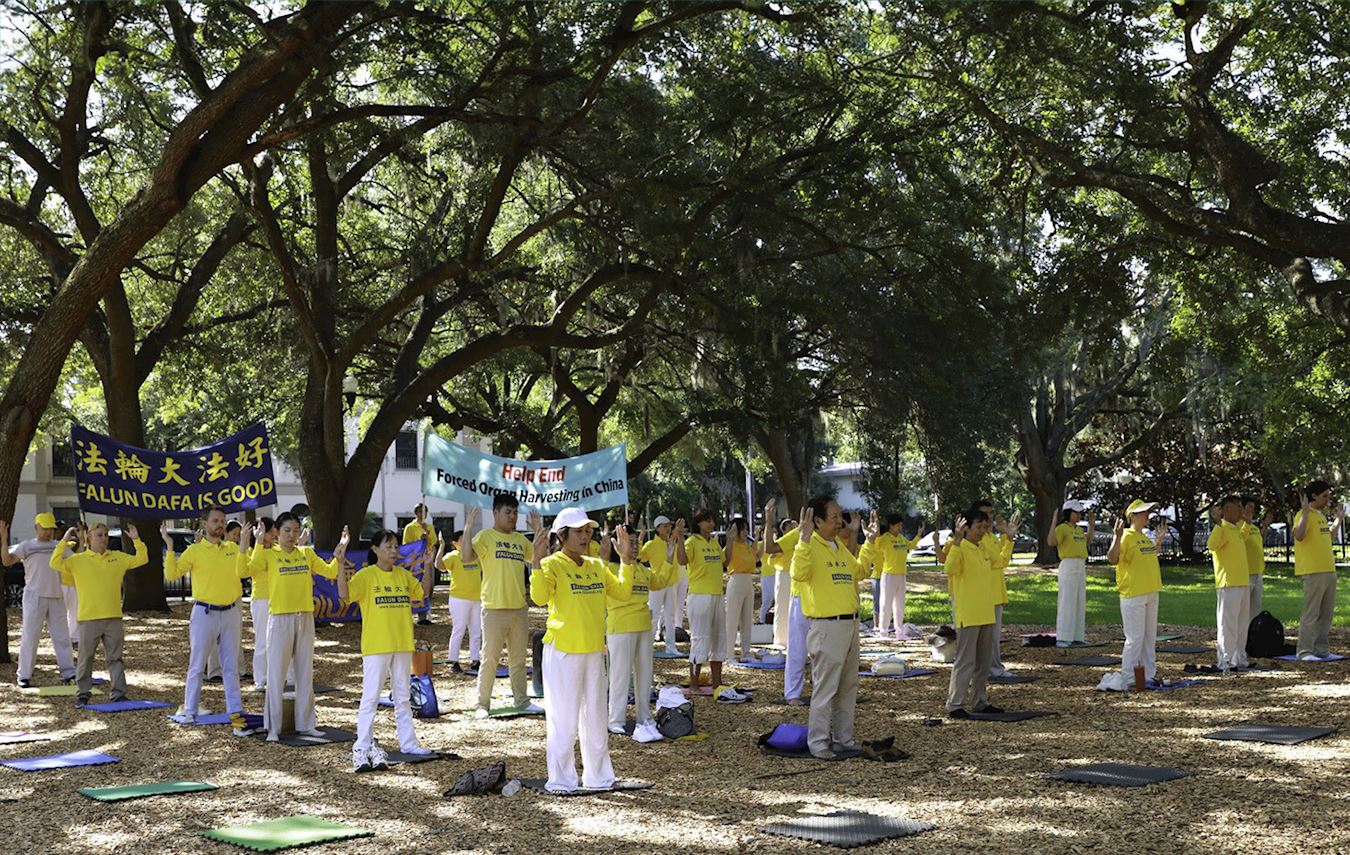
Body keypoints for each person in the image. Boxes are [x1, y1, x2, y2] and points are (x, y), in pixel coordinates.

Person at [531, 508, 635, 792]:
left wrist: (625, 560)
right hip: (563, 652)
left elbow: (623, 593)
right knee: (563, 721)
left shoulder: (597, 565)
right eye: (578, 532)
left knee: (596, 721)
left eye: (588, 531)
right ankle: (562, 781)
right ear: (561, 535)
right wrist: (536, 563)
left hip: (593, 652)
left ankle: (599, 778)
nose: (585, 536)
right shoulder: (552, 563)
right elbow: (539, 597)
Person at [239, 513, 348, 740]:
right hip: (279, 618)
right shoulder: (269, 555)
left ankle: (306, 724)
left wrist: (340, 553)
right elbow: (243, 572)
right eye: (287, 530)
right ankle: (273, 727)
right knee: (276, 674)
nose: (292, 535)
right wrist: (250, 544)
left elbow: (329, 571)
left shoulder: (306, 554)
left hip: (305, 617)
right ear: (277, 532)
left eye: (296, 530)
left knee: (304, 673)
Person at [338, 529, 435, 771]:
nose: (393, 551)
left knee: (402, 697)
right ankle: (361, 748)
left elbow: (424, 593)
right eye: (388, 546)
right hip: (376, 646)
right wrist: (340, 563)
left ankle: (408, 743)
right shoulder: (367, 576)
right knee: (370, 698)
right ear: (375, 550)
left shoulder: (403, 575)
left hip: (402, 644)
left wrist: (428, 566)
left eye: (395, 547)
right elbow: (344, 594)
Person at [790, 496, 873, 758]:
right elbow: (798, 574)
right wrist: (802, 541)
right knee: (825, 689)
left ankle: (844, 740)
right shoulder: (808, 546)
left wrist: (868, 542)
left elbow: (859, 572)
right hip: (827, 627)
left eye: (840, 516)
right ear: (817, 521)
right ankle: (818, 743)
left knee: (848, 687)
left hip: (850, 624)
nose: (840, 521)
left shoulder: (837, 545)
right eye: (835, 517)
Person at [164, 507, 255, 735]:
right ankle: (190, 711)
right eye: (215, 521)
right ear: (205, 523)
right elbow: (172, 575)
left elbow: (246, 571)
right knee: (197, 664)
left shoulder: (233, 549)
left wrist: (245, 544)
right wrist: (170, 546)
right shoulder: (195, 551)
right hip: (204, 613)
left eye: (222, 521)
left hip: (231, 612)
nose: (220, 524)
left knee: (231, 667)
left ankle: (236, 714)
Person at [49, 522, 149, 705]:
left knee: (115, 658)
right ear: (89, 538)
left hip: (113, 617)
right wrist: (64, 541)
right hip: (89, 618)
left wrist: (136, 540)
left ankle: (118, 693)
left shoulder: (118, 557)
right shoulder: (77, 560)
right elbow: (54, 562)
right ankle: (83, 693)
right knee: (85, 658)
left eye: (105, 535)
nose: (104, 538)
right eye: (99, 535)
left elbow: (142, 559)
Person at [461, 494, 543, 717]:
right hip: (494, 610)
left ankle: (522, 701)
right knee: (490, 659)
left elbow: (540, 558)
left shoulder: (519, 540)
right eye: (508, 512)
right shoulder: (486, 536)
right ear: (495, 512)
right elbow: (466, 557)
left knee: (518, 659)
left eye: (515, 512)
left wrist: (537, 531)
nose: (513, 516)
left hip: (518, 609)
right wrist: (468, 527)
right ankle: (483, 704)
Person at [607, 522, 675, 735]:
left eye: (637, 542)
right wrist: (623, 559)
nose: (635, 547)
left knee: (645, 675)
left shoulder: (641, 569)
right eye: (630, 542)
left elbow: (660, 580)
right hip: (622, 626)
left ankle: (644, 716)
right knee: (620, 674)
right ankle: (615, 719)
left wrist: (670, 556)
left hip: (644, 626)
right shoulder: (609, 568)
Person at [943, 510, 1008, 719]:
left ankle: (980, 701)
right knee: (965, 661)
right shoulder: (960, 548)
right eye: (978, 527)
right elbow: (949, 568)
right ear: (966, 528)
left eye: (984, 527)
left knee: (983, 663)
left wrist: (1010, 539)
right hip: (969, 614)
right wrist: (956, 541)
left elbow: (1001, 562)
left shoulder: (984, 548)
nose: (982, 531)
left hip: (986, 612)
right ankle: (955, 704)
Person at [2, 513, 75, 687]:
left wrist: (81, 540)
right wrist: (3, 540)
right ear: (36, 527)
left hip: (57, 596)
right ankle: (24, 675)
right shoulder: (27, 546)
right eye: (45, 528)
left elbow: (77, 561)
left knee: (62, 637)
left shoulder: (59, 546)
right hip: (34, 596)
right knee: (30, 636)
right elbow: (6, 561)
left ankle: (69, 673)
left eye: (51, 528)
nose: (48, 531)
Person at [677, 509, 737, 699]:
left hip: (717, 595)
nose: (711, 524)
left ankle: (717, 683)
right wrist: (679, 537)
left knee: (719, 638)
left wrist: (730, 540)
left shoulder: (713, 542)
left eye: (712, 521)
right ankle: (694, 683)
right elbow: (681, 560)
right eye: (707, 521)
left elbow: (725, 561)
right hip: (699, 596)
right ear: (698, 523)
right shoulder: (692, 541)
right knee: (700, 638)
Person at [1104, 500, 1165, 689]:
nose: (1147, 515)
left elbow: (1150, 554)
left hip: (1151, 591)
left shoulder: (1145, 537)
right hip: (1133, 593)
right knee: (1135, 638)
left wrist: (1159, 541)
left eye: (1148, 512)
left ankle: (1148, 676)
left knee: (1149, 638)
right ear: (1132, 517)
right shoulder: (1126, 536)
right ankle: (1129, 677)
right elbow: (1112, 559)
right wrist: (1116, 536)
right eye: (1143, 512)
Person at [765, 501, 809, 704]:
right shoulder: (794, 536)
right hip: (790, 581)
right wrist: (768, 520)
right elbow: (770, 549)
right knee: (786, 618)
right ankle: (792, 692)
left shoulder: (829, 540)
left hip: (818, 596)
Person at [1292, 480, 1341, 660]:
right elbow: (1299, 535)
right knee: (1311, 612)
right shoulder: (1303, 515)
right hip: (1312, 571)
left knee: (1326, 613)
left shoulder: (1320, 516)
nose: (1327, 500)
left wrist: (1338, 520)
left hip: (1328, 569)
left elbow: (1328, 537)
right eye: (1324, 496)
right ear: (1313, 496)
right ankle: (1304, 651)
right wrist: (1305, 513)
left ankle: (1321, 649)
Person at [1208, 495, 1251, 672]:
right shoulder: (1222, 528)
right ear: (1227, 511)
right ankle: (1225, 660)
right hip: (1228, 582)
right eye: (1238, 508)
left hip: (1242, 581)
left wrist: (1248, 522)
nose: (1242, 511)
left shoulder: (1235, 529)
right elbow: (1211, 545)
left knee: (1241, 624)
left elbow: (1244, 536)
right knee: (1228, 624)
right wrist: (1217, 523)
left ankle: (1239, 658)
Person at [866, 513, 925, 639]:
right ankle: (883, 632)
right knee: (885, 604)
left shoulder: (901, 538)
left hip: (901, 575)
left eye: (901, 525)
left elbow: (911, 545)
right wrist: (875, 529)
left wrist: (919, 535)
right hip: (889, 575)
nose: (900, 527)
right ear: (891, 526)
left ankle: (900, 632)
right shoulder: (885, 538)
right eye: (898, 525)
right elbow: (875, 544)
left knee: (900, 605)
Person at [1048, 501, 1094, 647]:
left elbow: (1088, 541)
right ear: (1068, 513)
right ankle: (1063, 637)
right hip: (1068, 564)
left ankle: (1077, 636)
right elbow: (1051, 541)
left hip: (1080, 564)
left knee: (1079, 600)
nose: (1079, 515)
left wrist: (1091, 526)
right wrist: (1054, 521)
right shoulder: (1062, 528)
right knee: (1067, 600)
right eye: (1076, 512)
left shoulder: (1079, 530)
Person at [435, 530, 481, 673]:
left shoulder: (476, 556)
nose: (466, 541)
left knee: (476, 631)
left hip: (477, 599)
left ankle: (475, 660)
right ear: (454, 543)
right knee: (459, 630)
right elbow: (439, 565)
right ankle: (453, 660)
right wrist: (441, 548)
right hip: (459, 599)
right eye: (462, 539)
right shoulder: (453, 556)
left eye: (468, 538)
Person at [723, 517, 762, 662]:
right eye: (743, 529)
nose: (746, 532)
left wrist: (758, 539)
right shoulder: (731, 545)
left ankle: (746, 652)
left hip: (748, 581)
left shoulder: (747, 545)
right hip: (736, 580)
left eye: (746, 529)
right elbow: (726, 558)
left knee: (747, 619)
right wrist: (730, 539)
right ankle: (729, 654)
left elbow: (756, 557)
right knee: (732, 619)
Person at [246, 517, 277, 692]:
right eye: (270, 531)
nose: (273, 534)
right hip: (261, 599)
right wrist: (258, 542)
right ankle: (260, 679)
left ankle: (281, 676)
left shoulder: (276, 550)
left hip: (278, 598)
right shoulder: (254, 550)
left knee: (279, 640)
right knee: (262, 640)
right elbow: (249, 569)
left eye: (273, 531)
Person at [647, 516, 686, 653]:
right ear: (657, 529)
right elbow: (639, 557)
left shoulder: (672, 542)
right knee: (654, 616)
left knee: (670, 616)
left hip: (672, 583)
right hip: (656, 585)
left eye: (669, 526)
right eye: (664, 526)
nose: (668, 528)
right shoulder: (651, 545)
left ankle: (671, 646)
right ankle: (647, 647)